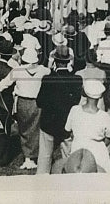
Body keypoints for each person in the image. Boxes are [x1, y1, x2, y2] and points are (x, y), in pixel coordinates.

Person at [35, 46, 83, 174]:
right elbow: (76, 102)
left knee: (45, 155)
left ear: (55, 61)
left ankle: (42, 179)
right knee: (68, 154)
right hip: (67, 123)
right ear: (69, 61)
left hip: (49, 122)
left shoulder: (47, 79)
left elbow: (39, 102)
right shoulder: (76, 79)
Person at [64, 79, 110, 172]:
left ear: (85, 94)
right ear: (100, 96)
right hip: (98, 150)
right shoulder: (104, 116)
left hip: (78, 147)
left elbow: (69, 131)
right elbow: (108, 138)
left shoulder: (75, 110)